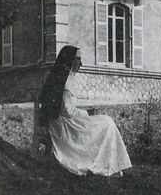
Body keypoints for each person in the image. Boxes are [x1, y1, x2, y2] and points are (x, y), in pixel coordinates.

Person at [38, 45, 132, 177]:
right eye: (77, 59)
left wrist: (83, 113)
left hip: (66, 120)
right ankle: (105, 163)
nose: (80, 63)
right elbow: (68, 111)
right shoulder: (64, 82)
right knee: (107, 123)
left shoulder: (65, 78)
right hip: (65, 125)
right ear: (69, 60)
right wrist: (86, 113)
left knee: (106, 122)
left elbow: (68, 108)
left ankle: (109, 163)